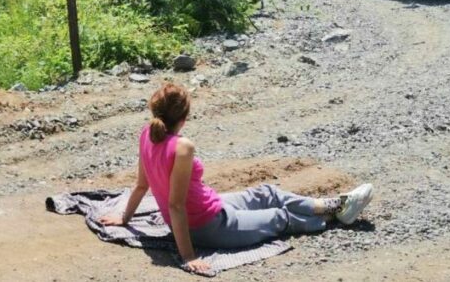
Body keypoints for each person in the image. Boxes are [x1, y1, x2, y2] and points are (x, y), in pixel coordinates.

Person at [98, 83, 374, 275]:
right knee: (278, 217)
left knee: (267, 192)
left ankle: (333, 204)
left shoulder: (147, 134)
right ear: (185, 117)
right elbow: (176, 206)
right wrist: (189, 256)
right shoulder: (182, 147)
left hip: (213, 207)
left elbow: (141, 185)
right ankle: (332, 218)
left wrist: (125, 218)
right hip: (207, 226)